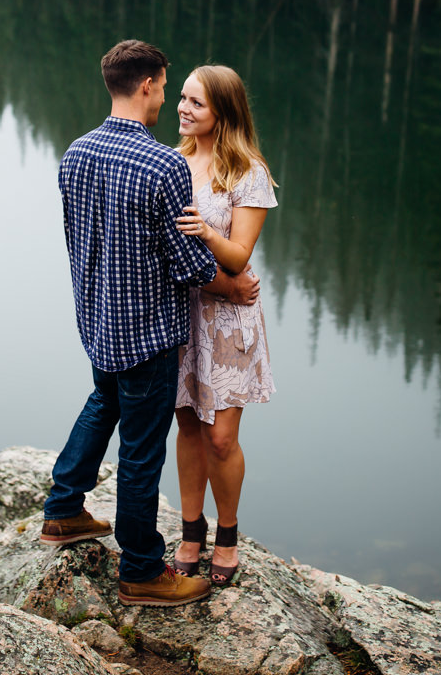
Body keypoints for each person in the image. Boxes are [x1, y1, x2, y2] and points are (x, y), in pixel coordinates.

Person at [42, 39, 261, 607]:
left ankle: (63, 509)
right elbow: (187, 263)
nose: (170, 98)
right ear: (147, 86)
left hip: (99, 320)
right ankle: (142, 570)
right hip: (149, 332)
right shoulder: (161, 162)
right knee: (141, 452)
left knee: (102, 404)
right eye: (167, 87)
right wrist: (234, 285)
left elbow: (78, 239)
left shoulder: (77, 152)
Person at [171, 64, 278, 588]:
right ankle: (191, 533)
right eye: (183, 99)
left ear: (223, 113)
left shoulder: (247, 171)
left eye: (196, 104)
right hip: (181, 312)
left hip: (230, 320)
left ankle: (228, 535)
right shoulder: (173, 163)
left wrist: (206, 233)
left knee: (221, 437)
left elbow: (238, 258)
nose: (184, 110)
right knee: (187, 423)